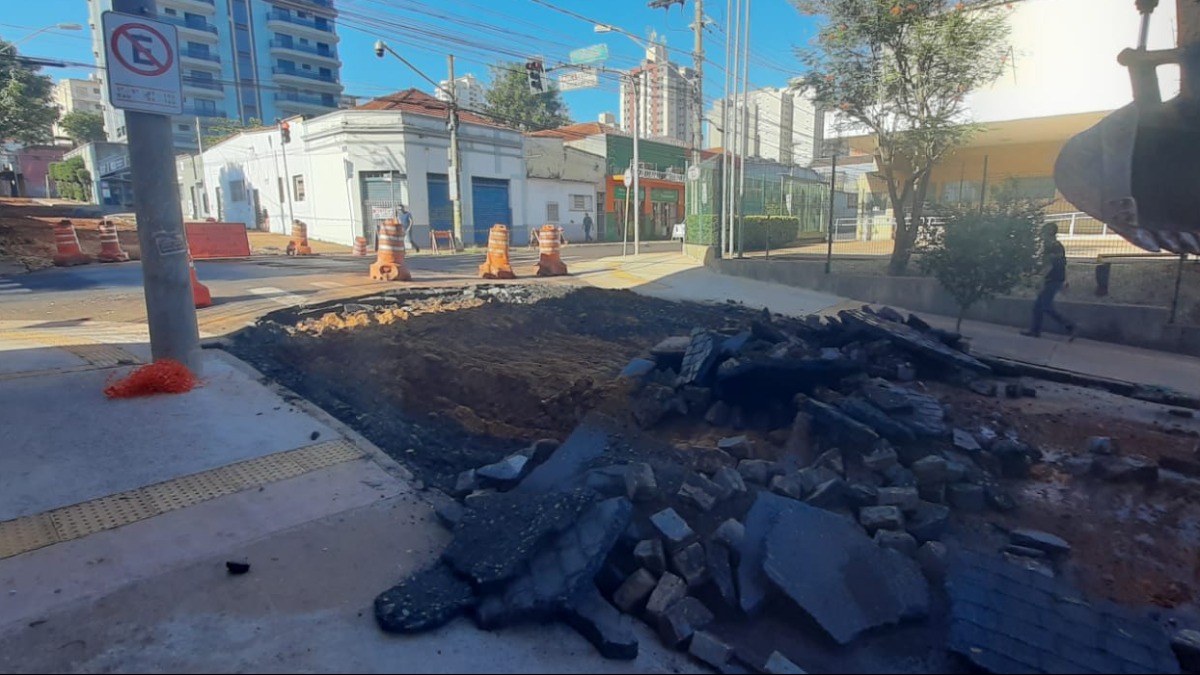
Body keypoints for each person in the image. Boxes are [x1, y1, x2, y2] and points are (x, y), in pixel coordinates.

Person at [1022, 222, 1076, 340]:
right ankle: (1035, 331)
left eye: (1043, 233)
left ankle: (1069, 325)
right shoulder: (1056, 245)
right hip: (1055, 277)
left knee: (1045, 306)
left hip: (1053, 278)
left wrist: (1040, 279)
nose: (1041, 236)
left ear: (1047, 233)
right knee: (1038, 306)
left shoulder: (1051, 245)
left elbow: (1050, 265)